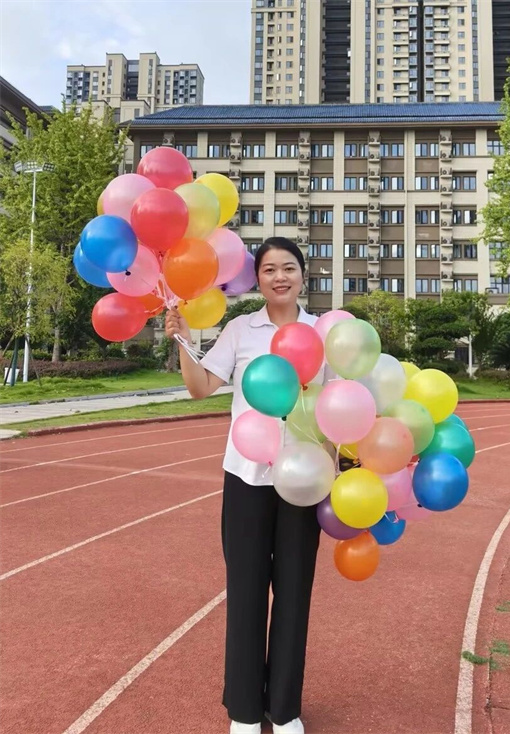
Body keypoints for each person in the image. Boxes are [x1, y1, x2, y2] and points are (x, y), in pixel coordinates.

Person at [165, 237, 326, 734]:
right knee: (247, 593)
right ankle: (244, 711)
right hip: (246, 479)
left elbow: (339, 406)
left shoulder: (323, 333)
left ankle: (285, 709)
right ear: (257, 279)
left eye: (289, 267)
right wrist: (183, 338)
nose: (280, 277)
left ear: (303, 275)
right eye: (269, 269)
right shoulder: (240, 329)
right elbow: (200, 388)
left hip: (304, 482)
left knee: (294, 595)